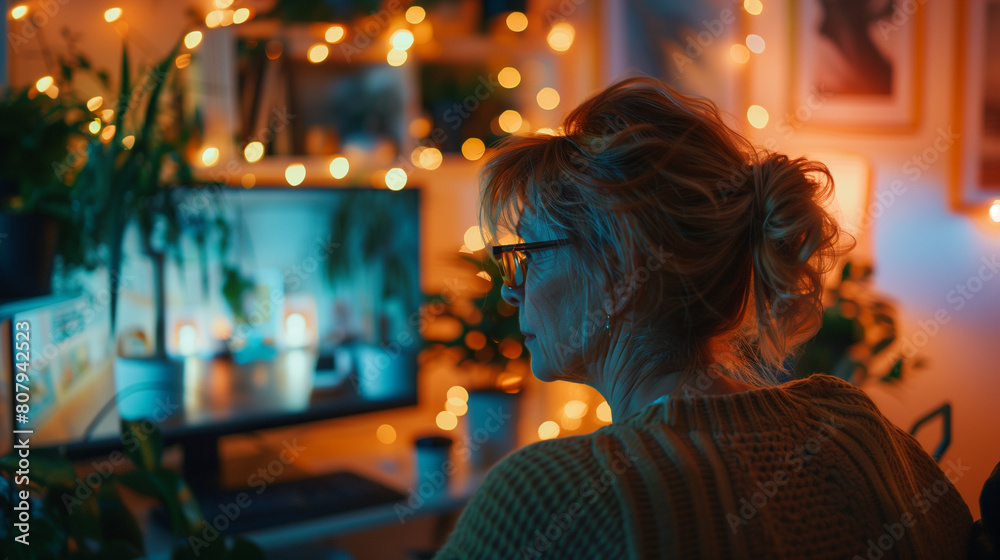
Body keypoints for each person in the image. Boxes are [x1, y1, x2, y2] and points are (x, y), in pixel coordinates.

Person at [431, 76, 972, 559]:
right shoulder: (856, 427)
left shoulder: (550, 494)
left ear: (621, 269)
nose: (510, 289)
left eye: (528, 254)